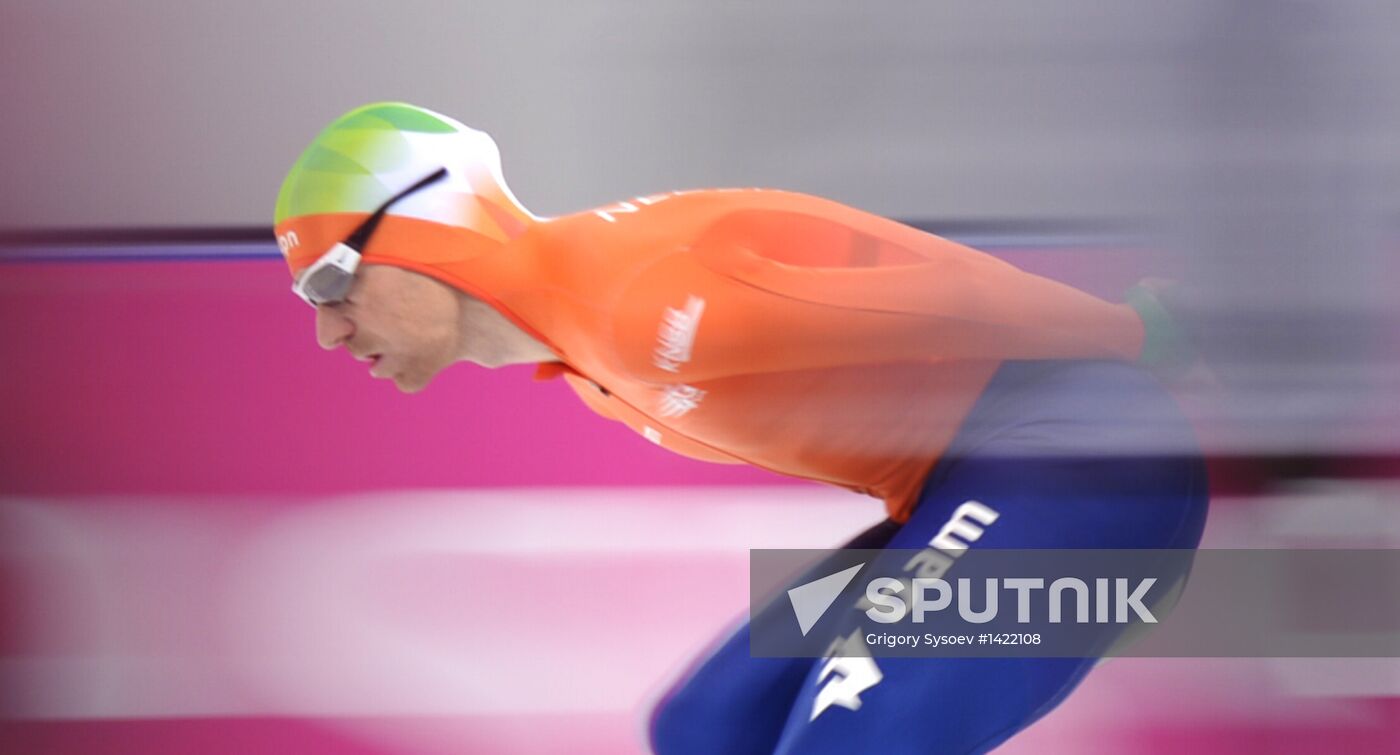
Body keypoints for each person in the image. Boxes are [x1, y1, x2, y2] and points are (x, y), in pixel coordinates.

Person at [274, 102, 1207, 754]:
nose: (326, 328)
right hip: (969, 486)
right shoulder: (585, 352)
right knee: (708, 728)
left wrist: (1132, 331)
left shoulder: (638, 304)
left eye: (331, 281)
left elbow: (930, 297)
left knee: (859, 738)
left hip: (1088, 459)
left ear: (419, 233)